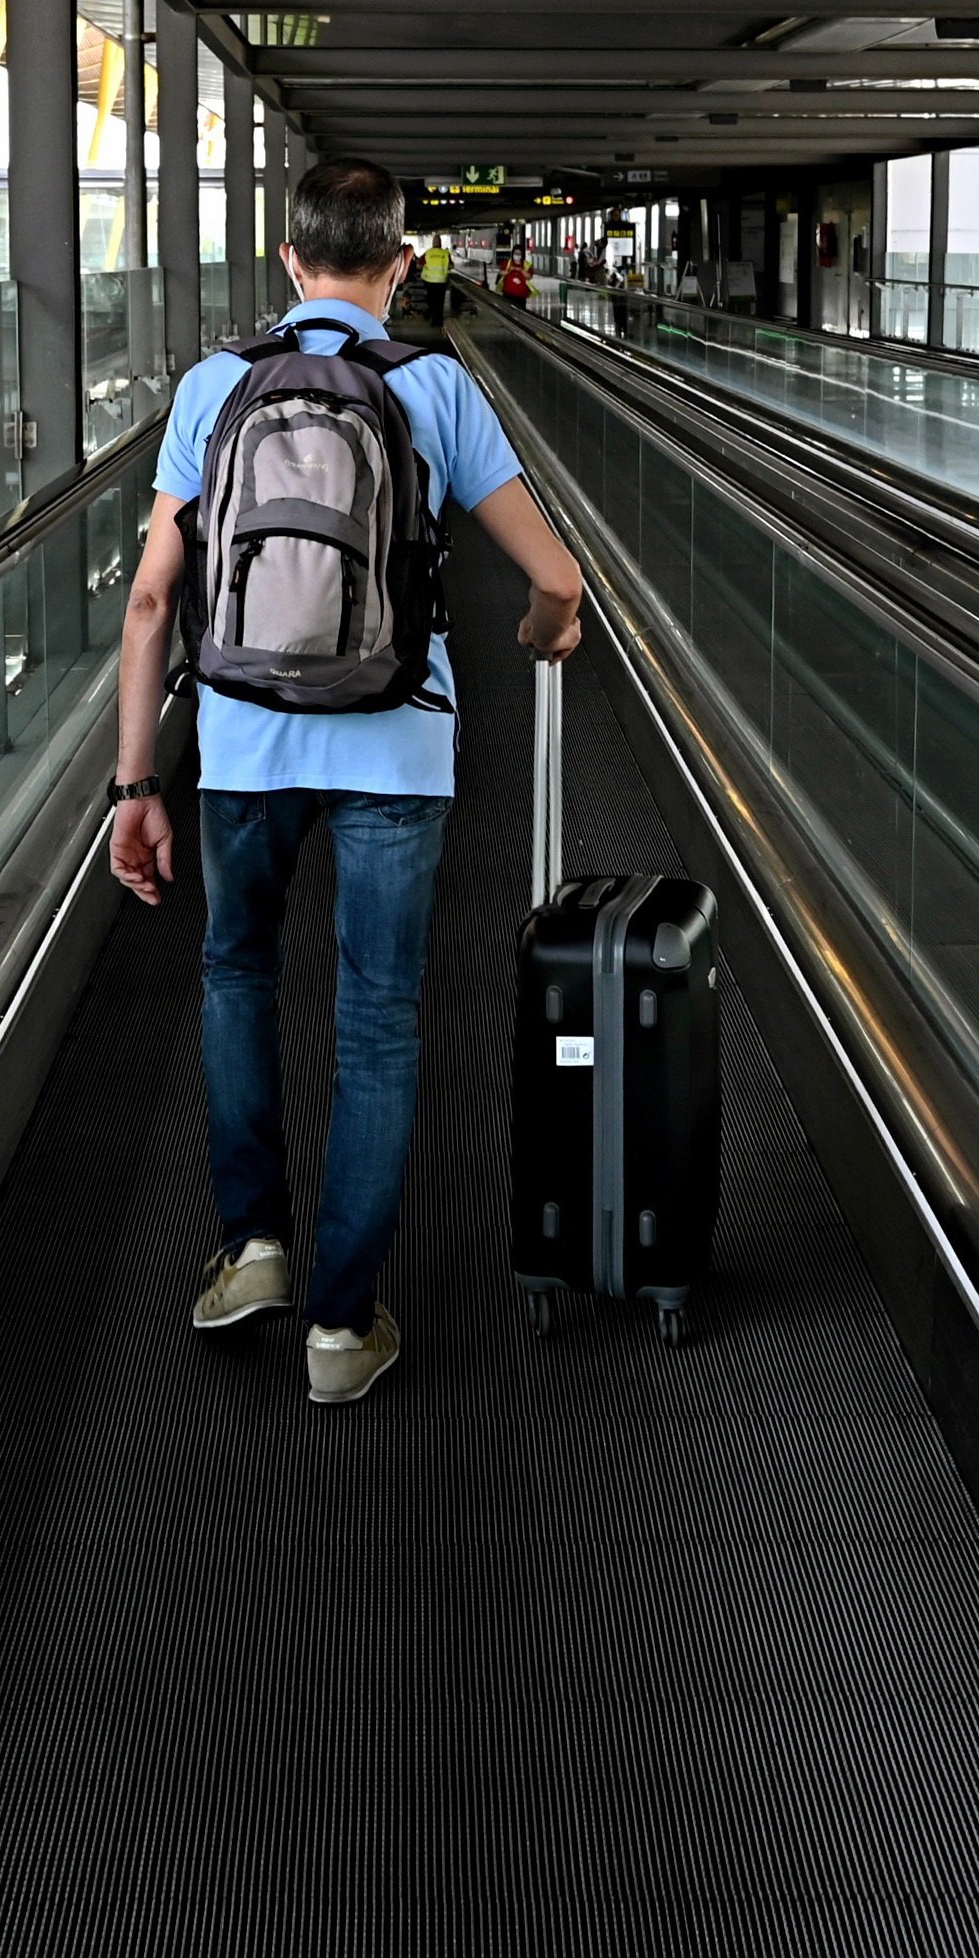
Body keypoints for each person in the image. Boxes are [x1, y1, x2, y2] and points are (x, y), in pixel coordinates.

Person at [111, 159, 588, 1405]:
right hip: (398, 741)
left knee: (236, 973)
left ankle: (251, 1244)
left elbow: (155, 595)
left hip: (242, 737)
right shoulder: (433, 385)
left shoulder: (216, 387)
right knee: (376, 1020)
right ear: (397, 264)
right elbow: (557, 581)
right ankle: (339, 1325)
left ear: (289, 259)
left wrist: (134, 783)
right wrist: (543, 633)